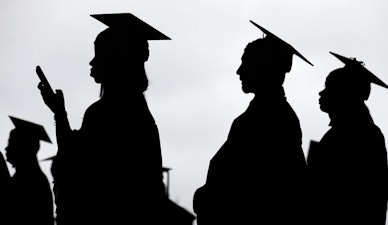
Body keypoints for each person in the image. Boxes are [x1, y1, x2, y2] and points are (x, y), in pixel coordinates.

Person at [38, 13, 170, 225]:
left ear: (117, 60)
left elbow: (76, 169)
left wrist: (60, 115)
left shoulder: (108, 114)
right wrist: (59, 112)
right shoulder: (135, 113)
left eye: (99, 54)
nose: (92, 62)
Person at [193, 20, 313, 225]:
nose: (239, 71)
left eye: (247, 62)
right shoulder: (265, 115)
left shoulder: (274, 118)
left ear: (266, 68)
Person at [307, 52, 388, 225]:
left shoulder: (358, 136)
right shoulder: (357, 132)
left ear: (345, 93)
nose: (322, 92)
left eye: (329, 87)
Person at [3, 116, 54, 225]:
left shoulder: (30, 181)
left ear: (24, 147)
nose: (6, 148)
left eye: (11, 143)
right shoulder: (31, 177)